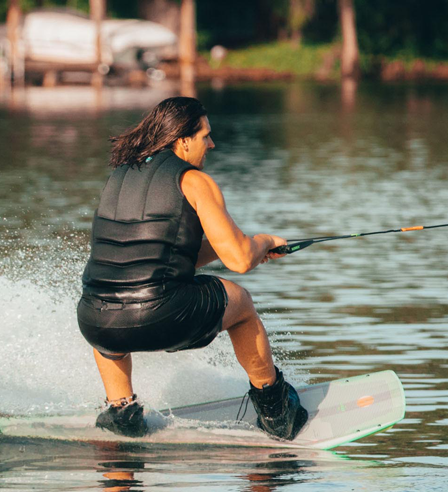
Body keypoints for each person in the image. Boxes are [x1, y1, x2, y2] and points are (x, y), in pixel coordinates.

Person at [77, 96, 308, 440]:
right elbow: (240, 260)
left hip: (95, 321)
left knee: (109, 297)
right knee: (241, 303)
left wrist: (230, 245)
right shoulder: (195, 181)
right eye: (205, 136)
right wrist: (259, 242)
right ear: (183, 140)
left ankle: (121, 412)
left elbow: (162, 255)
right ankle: (275, 408)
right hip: (158, 315)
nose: (211, 143)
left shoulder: (120, 175)